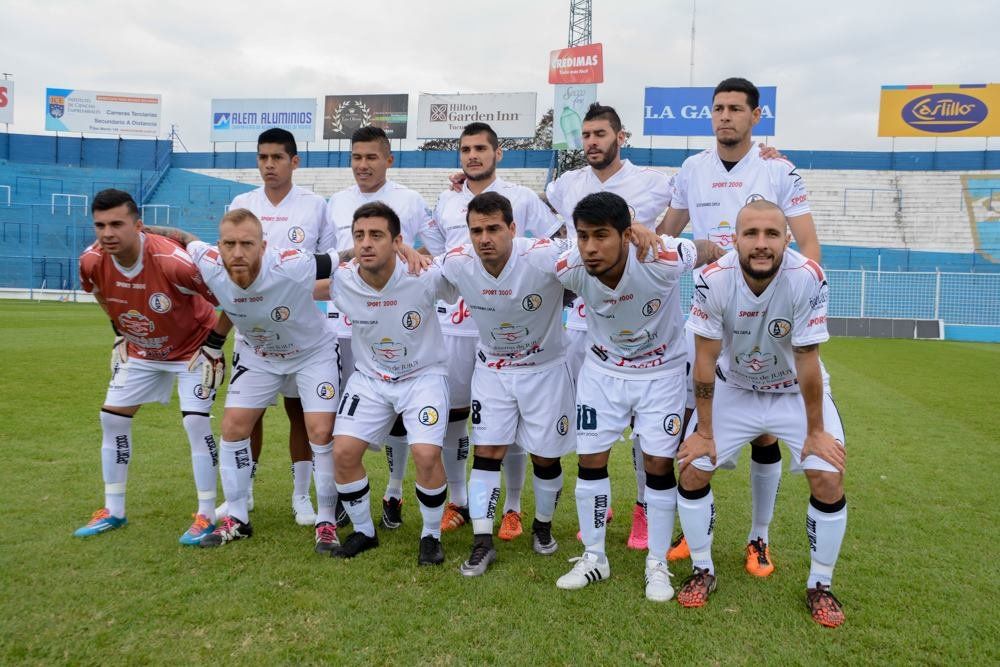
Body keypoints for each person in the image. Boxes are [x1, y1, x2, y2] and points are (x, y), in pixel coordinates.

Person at [659, 78, 821, 574]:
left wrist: (800, 304)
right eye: (718, 108)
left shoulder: (778, 168)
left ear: (756, 115)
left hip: (767, 315)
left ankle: (759, 536)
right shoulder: (692, 168)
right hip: (711, 312)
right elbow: (667, 235)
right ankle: (693, 529)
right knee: (694, 423)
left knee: (764, 432)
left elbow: (809, 245)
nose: (725, 116)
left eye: (735, 108)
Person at [675, 199, 846, 628]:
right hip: (736, 388)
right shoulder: (713, 279)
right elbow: (705, 358)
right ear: (735, 239)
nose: (761, 243)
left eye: (771, 234)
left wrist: (816, 432)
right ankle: (702, 569)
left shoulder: (807, 276)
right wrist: (705, 432)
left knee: (827, 476)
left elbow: (807, 358)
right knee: (693, 469)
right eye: (751, 234)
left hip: (792, 392)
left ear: (787, 239)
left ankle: (820, 584)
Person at [554, 192, 717, 602]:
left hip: (661, 373)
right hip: (602, 372)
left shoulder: (661, 256)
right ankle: (594, 557)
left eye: (601, 236)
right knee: (590, 459)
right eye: (583, 236)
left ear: (627, 235)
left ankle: (656, 563)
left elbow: (707, 249)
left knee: (658, 464)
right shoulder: (569, 267)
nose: (590, 247)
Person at [157, 209, 342, 553]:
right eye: (229, 244)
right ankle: (238, 518)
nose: (237, 252)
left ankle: (327, 521)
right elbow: (184, 237)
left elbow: (344, 256)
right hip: (260, 354)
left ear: (263, 246)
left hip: (312, 353)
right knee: (233, 427)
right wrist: (140, 231)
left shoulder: (292, 264)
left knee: (320, 431)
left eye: (247, 244)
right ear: (219, 246)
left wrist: (402, 249)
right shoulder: (209, 262)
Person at [424, 122, 562, 541]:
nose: (472, 156)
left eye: (481, 148)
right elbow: (438, 259)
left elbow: (557, 240)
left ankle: (513, 508)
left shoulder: (521, 197)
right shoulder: (447, 200)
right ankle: (458, 501)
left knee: (513, 422)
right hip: (456, 327)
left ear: (497, 153)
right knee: (455, 417)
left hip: (513, 332)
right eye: (466, 149)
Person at [544, 103, 671, 551]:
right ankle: (602, 504)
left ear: (621, 137)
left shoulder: (652, 182)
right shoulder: (566, 185)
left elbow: (689, 202)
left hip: (638, 321)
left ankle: (643, 506)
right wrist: (462, 185)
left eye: (600, 133)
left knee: (643, 427)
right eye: (586, 135)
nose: (592, 142)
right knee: (592, 423)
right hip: (584, 321)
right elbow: (550, 223)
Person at [73, 189, 229, 546]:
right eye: (100, 225)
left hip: (193, 350)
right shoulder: (91, 260)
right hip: (143, 352)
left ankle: (206, 515)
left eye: (117, 224)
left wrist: (214, 345)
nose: (107, 233)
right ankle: (113, 510)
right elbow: (99, 292)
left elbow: (232, 299)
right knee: (112, 418)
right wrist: (120, 331)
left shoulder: (174, 262)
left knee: (195, 422)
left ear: (138, 225)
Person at [434, 191, 574, 575]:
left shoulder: (545, 255)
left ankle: (542, 528)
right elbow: (422, 277)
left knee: (545, 456)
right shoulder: (458, 262)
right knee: (487, 451)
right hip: (493, 370)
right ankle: (482, 542)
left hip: (545, 370)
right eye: (476, 231)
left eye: (494, 229)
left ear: (513, 228)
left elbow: (594, 259)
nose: (485, 239)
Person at [329, 202, 456, 566]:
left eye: (376, 235)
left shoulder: (423, 274)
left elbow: (462, 273)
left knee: (427, 455)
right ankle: (364, 531)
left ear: (398, 241)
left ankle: (430, 536)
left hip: (423, 376)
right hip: (370, 379)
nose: (366, 243)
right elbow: (298, 282)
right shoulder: (343, 280)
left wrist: (425, 255)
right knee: (343, 452)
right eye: (359, 236)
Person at [222, 127, 336, 526]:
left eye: (277, 157)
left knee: (300, 412)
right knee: (248, 416)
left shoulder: (314, 205)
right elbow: (231, 266)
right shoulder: (242, 203)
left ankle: (301, 495)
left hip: (301, 332)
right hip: (254, 332)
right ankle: (244, 490)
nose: (269, 165)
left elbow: (328, 268)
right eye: (262, 157)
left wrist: (291, 290)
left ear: (294, 161)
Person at [325, 125, 434, 531]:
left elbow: (434, 249)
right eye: (356, 157)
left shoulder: (410, 200)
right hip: (345, 322)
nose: (363, 165)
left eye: (371, 157)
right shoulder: (336, 202)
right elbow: (328, 259)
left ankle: (393, 490)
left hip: (397, 321)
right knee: (347, 413)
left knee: (400, 414)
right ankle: (346, 496)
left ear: (388, 159)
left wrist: (406, 249)